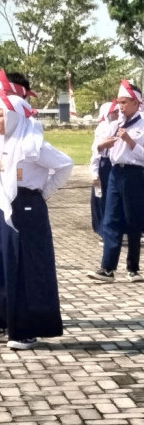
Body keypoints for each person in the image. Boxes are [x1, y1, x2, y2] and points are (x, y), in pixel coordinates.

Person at [0, 91, 73, 350]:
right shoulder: (2, 143)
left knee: (24, 269)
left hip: (27, 211)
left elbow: (65, 165)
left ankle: (24, 330)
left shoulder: (32, 145)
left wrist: (42, 194)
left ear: (14, 116)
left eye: (0, 115)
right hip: (3, 209)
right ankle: (0, 323)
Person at [87, 80, 144, 283]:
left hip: (135, 174)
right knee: (111, 218)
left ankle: (133, 268)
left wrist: (130, 142)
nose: (121, 106)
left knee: (133, 220)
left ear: (137, 103)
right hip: (114, 173)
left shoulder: (142, 124)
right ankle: (108, 268)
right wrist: (102, 146)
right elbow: (97, 147)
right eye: (119, 102)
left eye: (125, 102)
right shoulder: (114, 123)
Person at [89, 100, 118, 238]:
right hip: (103, 164)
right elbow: (96, 150)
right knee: (100, 196)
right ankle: (102, 229)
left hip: (115, 164)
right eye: (114, 112)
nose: (117, 114)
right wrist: (94, 171)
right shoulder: (102, 127)